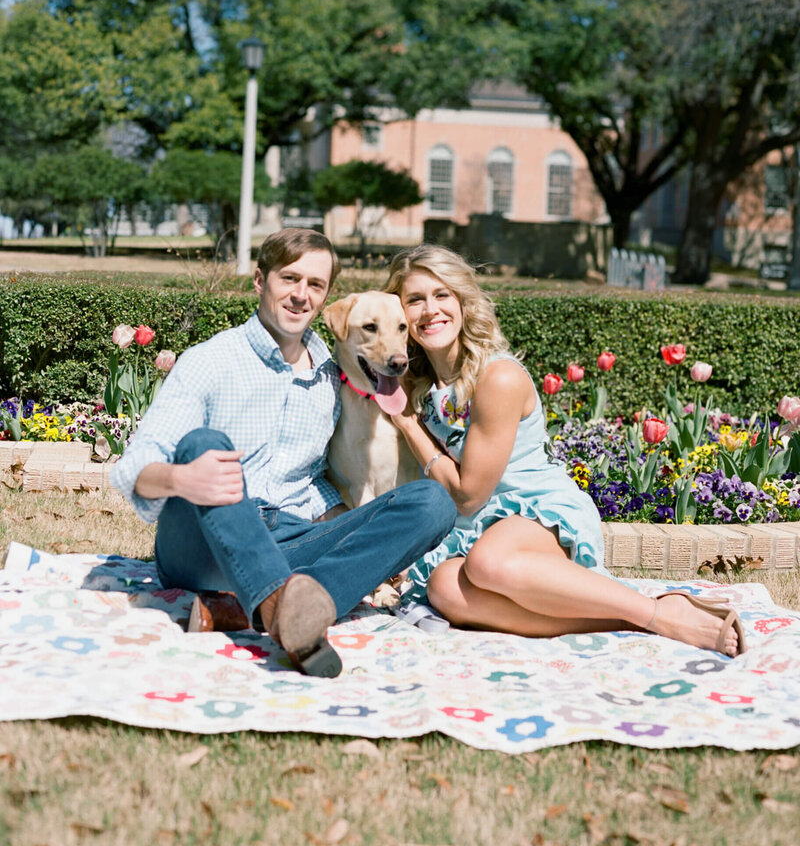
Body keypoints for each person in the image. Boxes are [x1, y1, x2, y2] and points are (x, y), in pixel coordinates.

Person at [110, 229, 457, 678]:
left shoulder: (334, 378)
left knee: (432, 504)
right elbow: (135, 464)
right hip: (204, 544)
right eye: (289, 279)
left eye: (315, 285)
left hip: (290, 540)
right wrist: (179, 479)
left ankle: (250, 609)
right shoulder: (210, 360)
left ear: (326, 296)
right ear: (260, 281)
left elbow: (319, 479)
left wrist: (353, 529)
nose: (300, 295)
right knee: (205, 447)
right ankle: (283, 611)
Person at [383, 244, 744, 658]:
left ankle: (656, 613)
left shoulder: (497, 377)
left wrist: (410, 427)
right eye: (415, 300)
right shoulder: (423, 386)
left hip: (537, 510)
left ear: (464, 301)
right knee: (445, 587)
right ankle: (641, 616)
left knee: (486, 562)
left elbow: (467, 495)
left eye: (442, 294)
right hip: (482, 527)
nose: (430, 310)